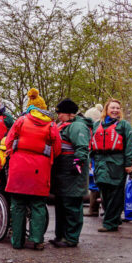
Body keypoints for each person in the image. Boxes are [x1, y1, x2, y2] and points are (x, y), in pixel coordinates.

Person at [2, 90, 59, 250]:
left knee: (18, 205)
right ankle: (37, 240)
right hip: (40, 170)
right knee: (38, 205)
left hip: (18, 167)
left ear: (30, 107)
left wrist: (12, 153)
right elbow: (57, 147)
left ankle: (17, 241)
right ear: (43, 108)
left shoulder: (21, 121)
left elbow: (9, 140)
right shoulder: (51, 125)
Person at [89, 99, 132, 232]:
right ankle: (114, 219)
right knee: (104, 192)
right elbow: (91, 144)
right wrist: (90, 161)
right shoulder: (97, 124)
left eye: (117, 108)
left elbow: (130, 146)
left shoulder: (124, 125)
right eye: (112, 108)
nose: (115, 110)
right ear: (106, 110)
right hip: (100, 162)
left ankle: (110, 223)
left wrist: (128, 163)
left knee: (116, 193)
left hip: (117, 162)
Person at [51, 98, 91, 247]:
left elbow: (82, 147)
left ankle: (71, 238)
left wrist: (77, 163)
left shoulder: (78, 127)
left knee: (72, 205)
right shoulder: (64, 125)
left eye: (60, 113)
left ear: (69, 114)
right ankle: (60, 236)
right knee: (61, 204)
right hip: (62, 173)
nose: (58, 116)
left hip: (72, 173)